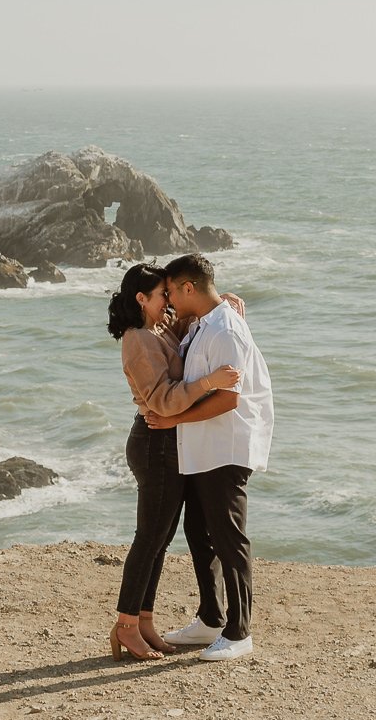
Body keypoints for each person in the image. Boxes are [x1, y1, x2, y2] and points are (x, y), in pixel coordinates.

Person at [104, 263, 242, 661]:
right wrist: (209, 383)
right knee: (149, 538)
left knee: (160, 539)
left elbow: (192, 331)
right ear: (141, 299)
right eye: (163, 294)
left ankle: (143, 620)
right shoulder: (138, 340)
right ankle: (126, 626)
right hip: (154, 442)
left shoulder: (161, 327)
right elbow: (162, 399)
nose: (169, 300)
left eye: (170, 293)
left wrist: (223, 304)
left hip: (171, 441)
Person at [160, 252, 272, 663]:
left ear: (189, 288)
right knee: (198, 532)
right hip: (204, 446)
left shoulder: (226, 329)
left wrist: (173, 419)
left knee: (229, 537)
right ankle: (210, 618)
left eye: (172, 291)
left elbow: (228, 399)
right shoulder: (203, 323)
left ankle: (240, 632)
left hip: (226, 446)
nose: (169, 299)